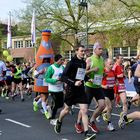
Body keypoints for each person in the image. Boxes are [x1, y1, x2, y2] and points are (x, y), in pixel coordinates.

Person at [54, 45, 96, 140]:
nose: (83, 53)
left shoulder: (83, 63)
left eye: (84, 51)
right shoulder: (71, 63)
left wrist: (88, 79)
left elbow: (81, 75)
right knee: (66, 110)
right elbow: (63, 77)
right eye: (81, 51)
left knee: (84, 110)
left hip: (80, 90)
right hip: (71, 90)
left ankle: (86, 134)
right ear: (76, 51)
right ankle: (59, 121)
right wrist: (74, 82)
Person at [85, 42, 105, 133]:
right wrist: (92, 70)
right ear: (95, 49)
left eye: (102, 49)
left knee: (102, 106)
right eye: (99, 49)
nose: (101, 50)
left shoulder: (102, 59)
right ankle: (78, 123)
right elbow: (82, 73)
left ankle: (92, 120)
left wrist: (104, 75)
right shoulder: (89, 59)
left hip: (98, 86)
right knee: (85, 108)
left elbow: (101, 72)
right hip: (89, 86)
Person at [45, 54, 64, 125]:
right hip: (53, 89)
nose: (62, 61)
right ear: (57, 60)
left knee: (61, 104)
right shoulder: (51, 68)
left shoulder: (62, 67)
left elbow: (64, 76)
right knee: (56, 104)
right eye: (61, 60)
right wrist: (55, 80)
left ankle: (50, 108)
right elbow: (46, 78)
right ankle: (52, 119)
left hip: (60, 89)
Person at [101, 58, 115, 131]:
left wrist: (115, 83)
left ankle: (99, 113)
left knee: (111, 108)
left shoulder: (113, 71)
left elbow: (114, 80)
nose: (112, 65)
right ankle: (109, 124)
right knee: (109, 107)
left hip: (111, 91)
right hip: (104, 90)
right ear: (106, 64)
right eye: (110, 64)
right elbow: (97, 81)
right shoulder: (103, 71)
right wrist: (103, 86)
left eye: (112, 64)